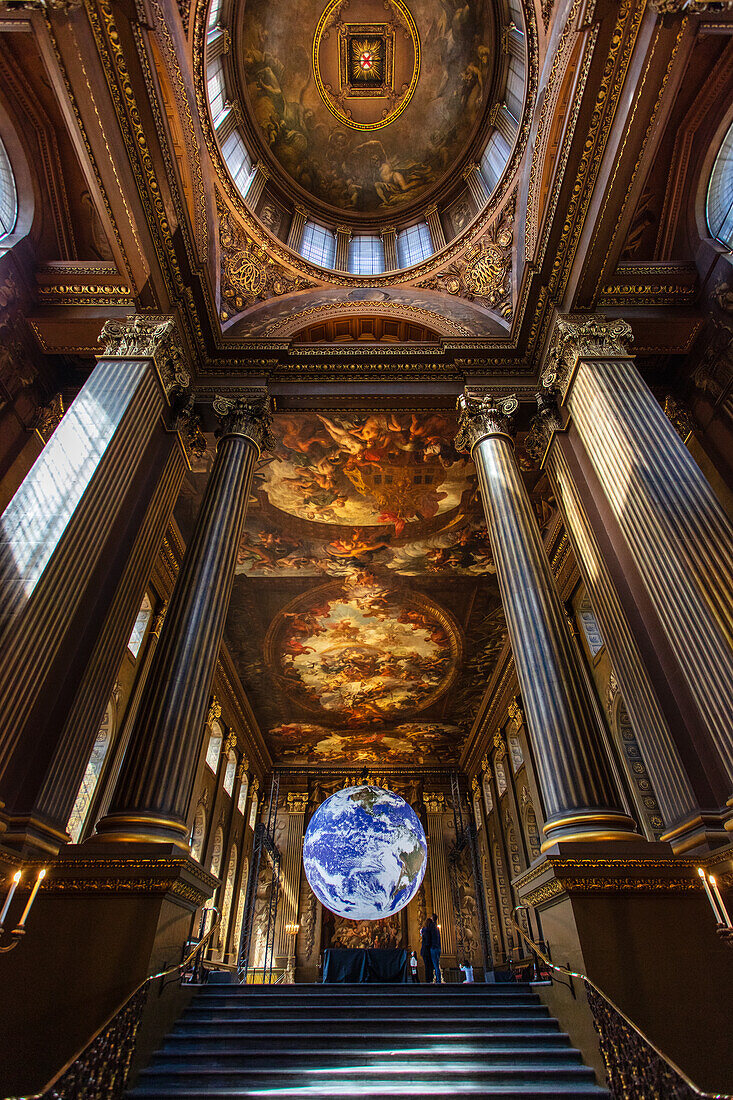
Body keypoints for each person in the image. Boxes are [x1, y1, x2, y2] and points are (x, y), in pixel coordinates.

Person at [420, 917, 435, 983]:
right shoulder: (427, 931)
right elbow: (427, 942)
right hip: (427, 952)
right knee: (429, 966)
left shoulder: (424, 930)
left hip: (425, 951)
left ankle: (429, 980)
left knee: (428, 966)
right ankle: (429, 980)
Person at [429, 914, 442, 984]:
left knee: (435, 964)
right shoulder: (436, 927)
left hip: (434, 948)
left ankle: (438, 980)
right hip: (438, 948)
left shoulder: (432, 927)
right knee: (436, 964)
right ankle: (438, 979)